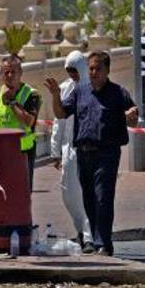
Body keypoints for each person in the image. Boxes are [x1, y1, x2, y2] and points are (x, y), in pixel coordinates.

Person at [44, 51, 138, 256]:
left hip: (107, 153)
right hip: (83, 153)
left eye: (98, 69)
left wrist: (131, 116)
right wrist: (55, 96)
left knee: (103, 197)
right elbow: (61, 114)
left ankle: (103, 243)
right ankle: (95, 241)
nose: (94, 72)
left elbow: (133, 117)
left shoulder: (118, 92)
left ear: (107, 70)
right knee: (88, 199)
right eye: (91, 68)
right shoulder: (79, 92)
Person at [50, 51, 94, 253]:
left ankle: (89, 236)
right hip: (69, 150)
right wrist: (56, 151)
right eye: (68, 71)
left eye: (74, 70)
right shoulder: (65, 89)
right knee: (68, 194)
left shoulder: (93, 89)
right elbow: (58, 122)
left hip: (88, 149)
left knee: (87, 194)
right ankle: (80, 230)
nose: (72, 74)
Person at [0, 56, 41, 190]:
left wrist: (12, 102)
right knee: (1, 193)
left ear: (20, 73)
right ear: (1, 74)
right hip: (0, 151)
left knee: (21, 195)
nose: (10, 75)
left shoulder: (31, 94)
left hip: (22, 152)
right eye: (6, 72)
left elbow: (29, 121)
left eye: (13, 72)